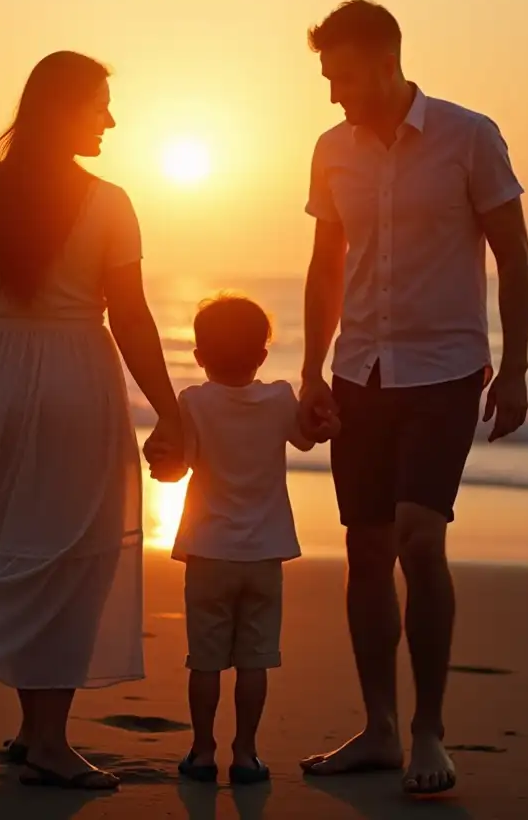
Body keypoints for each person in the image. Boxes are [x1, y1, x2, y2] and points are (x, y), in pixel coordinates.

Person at [0, 51, 183, 791]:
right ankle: (52, 741)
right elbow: (133, 319)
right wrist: (172, 409)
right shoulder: (110, 202)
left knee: (15, 539)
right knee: (69, 556)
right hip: (75, 381)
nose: (111, 120)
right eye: (100, 105)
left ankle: (31, 729)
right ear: (65, 108)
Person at [296, 0, 528, 796]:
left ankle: (429, 728)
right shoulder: (331, 150)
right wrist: (310, 370)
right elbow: (326, 266)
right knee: (364, 551)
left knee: (419, 540)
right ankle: (379, 728)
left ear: (386, 58)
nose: (334, 93)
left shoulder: (470, 135)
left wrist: (519, 366)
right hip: (358, 372)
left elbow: (515, 258)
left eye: (344, 74)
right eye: (327, 77)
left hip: (445, 371)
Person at [165, 295, 338, 786]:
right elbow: (309, 438)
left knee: (205, 661)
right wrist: (332, 423)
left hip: (207, 550)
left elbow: (183, 464)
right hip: (264, 553)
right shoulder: (281, 397)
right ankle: (245, 753)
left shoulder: (193, 401)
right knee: (254, 662)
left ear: (199, 356)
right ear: (263, 354)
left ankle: (201, 751)